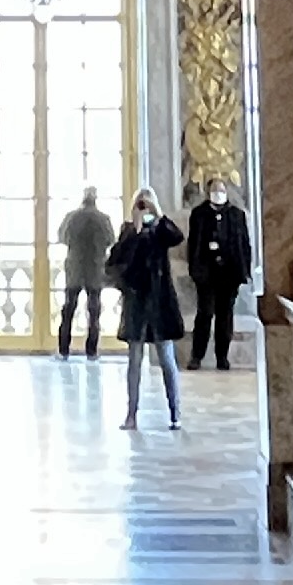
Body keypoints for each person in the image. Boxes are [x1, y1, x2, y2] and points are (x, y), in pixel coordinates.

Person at [107, 192, 186, 429]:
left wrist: (159, 214)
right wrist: (135, 228)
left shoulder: (161, 229)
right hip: (137, 301)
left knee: (167, 359)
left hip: (160, 301)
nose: (144, 209)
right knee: (134, 361)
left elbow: (177, 237)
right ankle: (131, 414)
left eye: (147, 204)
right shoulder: (128, 230)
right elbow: (117, 259)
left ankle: (175, 412)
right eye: (140, 204)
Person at [186, 176, 252, 369]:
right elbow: (193, 244)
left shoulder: (237, 215)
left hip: (230, 273)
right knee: (205, 313)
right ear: (208, 193)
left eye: (221, 189)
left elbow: (244, 244)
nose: (218, 193)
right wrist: (195, 269)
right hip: (206, 273)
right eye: (215, 190)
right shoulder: (199, 214)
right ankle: (197, 356)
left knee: (225, 315)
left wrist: (245, 270)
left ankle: (222, 356)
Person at [55, 186, 113, 356]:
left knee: (68, 309)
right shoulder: (103, 219)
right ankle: (91, 349)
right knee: (94, 311)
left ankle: (64, 348)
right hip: (94, 268)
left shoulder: (72, 217)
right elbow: (110, 239)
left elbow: (62, 237)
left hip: (75, 267)